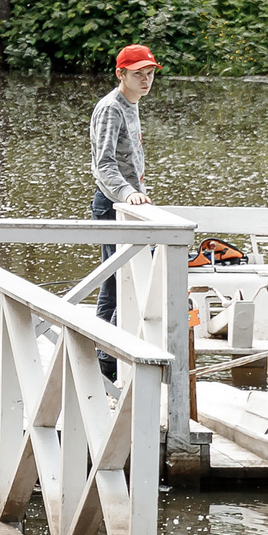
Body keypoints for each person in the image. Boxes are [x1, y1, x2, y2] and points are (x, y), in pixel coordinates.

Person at [90, 43, 160, 375]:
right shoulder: (111, 108)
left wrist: (137, 194)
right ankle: (109, 360)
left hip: (128, 203)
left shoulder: (132, 103)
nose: (146, 81)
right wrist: (128, 192)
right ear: (120, 74)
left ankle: (102, 359)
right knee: (125, 282)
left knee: (115, 283)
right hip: (112, 204)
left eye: (150, 74)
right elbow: (104, 164)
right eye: (138, 74)